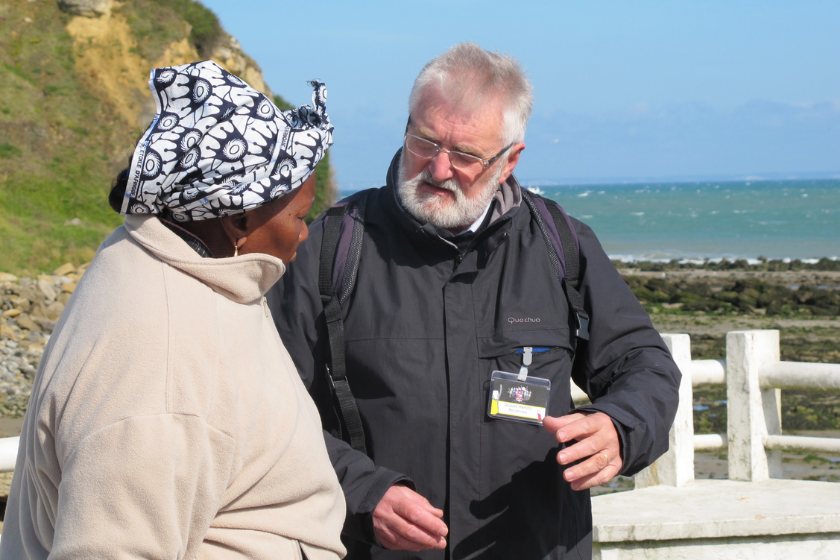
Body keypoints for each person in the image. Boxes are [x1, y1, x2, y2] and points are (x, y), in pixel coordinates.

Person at [270, 43, 681, 560]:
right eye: (424, 141)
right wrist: (362, 493)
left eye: (465, 155)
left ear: (510, 160)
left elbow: (645, 365)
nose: (438, 169)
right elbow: (268, 407)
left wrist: (620, 428)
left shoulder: (561, 244)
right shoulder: (331, 247)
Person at [0, 61, 346, 560]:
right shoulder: (159, 365)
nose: (304, 232)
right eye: (298, 215)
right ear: (238, 217)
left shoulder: (178, 267)